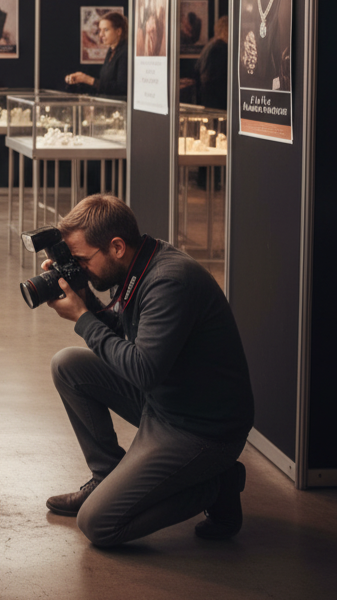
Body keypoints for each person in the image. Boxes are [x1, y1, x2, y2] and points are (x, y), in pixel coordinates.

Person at [41, 194, 254, 547]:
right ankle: (105, 475)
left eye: (82, 260)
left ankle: (218, 485)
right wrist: (84, 297)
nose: (79, 267)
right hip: (167, 398)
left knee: (98, 524)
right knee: (68, 365)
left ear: (116, 247)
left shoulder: (169, 281)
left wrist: (82, 318)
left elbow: (143, 371)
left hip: (201, 429)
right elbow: (127, 337)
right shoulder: (137, 264)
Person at [65, 11, 129, 97]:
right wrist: (80, 80)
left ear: (118, 31)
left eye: (106, 30)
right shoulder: (111, 51)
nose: (101, 35)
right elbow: (104, 85)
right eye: (100, 30)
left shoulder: (125, 52)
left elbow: (121, 89)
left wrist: (87, 79)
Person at [195, 15, 229, 110]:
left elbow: (198, 70)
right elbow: (219, 80)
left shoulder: (210, 46)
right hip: (217, 102)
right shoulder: (221, 48)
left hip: (207, 99)